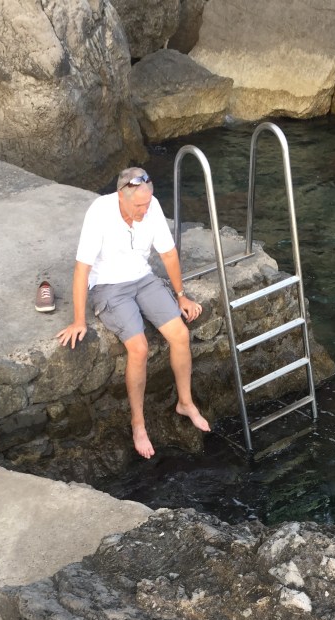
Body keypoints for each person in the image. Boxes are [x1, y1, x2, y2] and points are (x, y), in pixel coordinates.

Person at [56, 167, 210, 459]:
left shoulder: (151, 205)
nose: (145, 210)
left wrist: (181, 296)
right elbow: (82, 269)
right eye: (139, 205)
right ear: (121, 197)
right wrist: (78, 320)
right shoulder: (99, 212)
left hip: (143, 279)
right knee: (138, 348)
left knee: (180, 334)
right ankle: (138, 424)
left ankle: (185, 403)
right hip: (108, 286)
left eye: (148, 203)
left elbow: (168, 253)